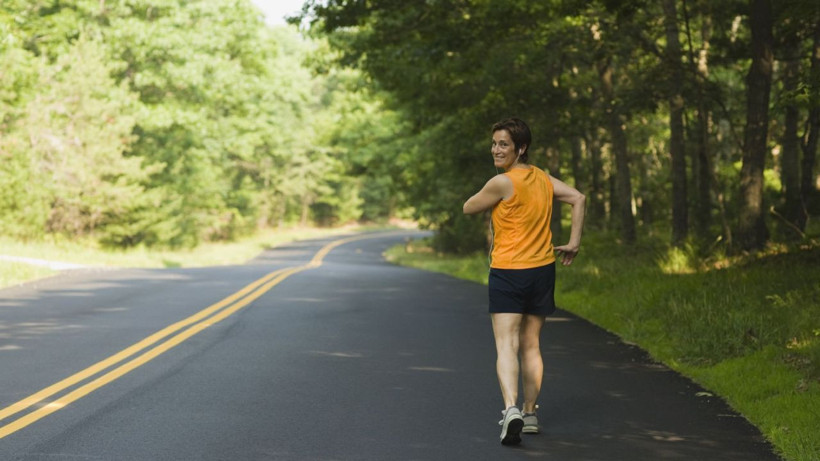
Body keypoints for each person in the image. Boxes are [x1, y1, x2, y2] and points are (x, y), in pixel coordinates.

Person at [463, 118, 585, 445]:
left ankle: (511, 410)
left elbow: (468, 207)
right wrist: (574, 243)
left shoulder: (502, 182)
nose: (496, 150)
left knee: (507, 344)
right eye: (494, 143)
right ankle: (530, 414)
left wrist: (493, 196)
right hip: (542, 269)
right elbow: (578, 197)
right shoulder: (543, 178)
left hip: (508, 271)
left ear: (521, 148)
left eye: (503, 144)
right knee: (531, 344)